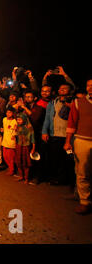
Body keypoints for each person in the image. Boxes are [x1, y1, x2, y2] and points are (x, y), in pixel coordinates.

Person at [64, 79, 92, 215]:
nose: (90, 88)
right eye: (88, 85)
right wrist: (68, 141)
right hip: (82, 140)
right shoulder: (78, 102)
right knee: (82, 171)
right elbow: (72, 123)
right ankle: (84, 201)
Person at [42, 83, 76, 186]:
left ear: (70, 91)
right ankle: (57, 178)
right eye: (61, 88)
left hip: (68, 135)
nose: (62, 90)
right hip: (55, 133)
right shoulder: (52, 103)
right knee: (55, 158)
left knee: (68, 159)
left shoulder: (74, 102)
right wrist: (44, 131)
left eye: (65, 89)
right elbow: (47, 118)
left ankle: (68, 180)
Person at [14, 113, 36, 184]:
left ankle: (26, 178)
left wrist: (33, 148)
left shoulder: (29, 127)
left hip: (26, 146)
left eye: (20, 120)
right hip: (19, 145)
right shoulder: (18, 126)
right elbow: (17, 135)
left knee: (26, 163)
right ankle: (21, 176)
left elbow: (32, 138)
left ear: (24, 119)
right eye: (17, 120)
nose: (18, 121)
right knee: (18, 161)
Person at [1, 107, 18, 176]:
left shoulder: (15, 121)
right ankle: (10, 168)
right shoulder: (4, 119)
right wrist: (1, 130)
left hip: (11, 140)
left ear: (13, 113)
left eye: (10, 112)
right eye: (7, 112)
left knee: (10, 157)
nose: (8, 114)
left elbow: (16, 131)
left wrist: (14, 135)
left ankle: (12, 170)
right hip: (5, 140)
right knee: (5, 156)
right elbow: (5, 128)